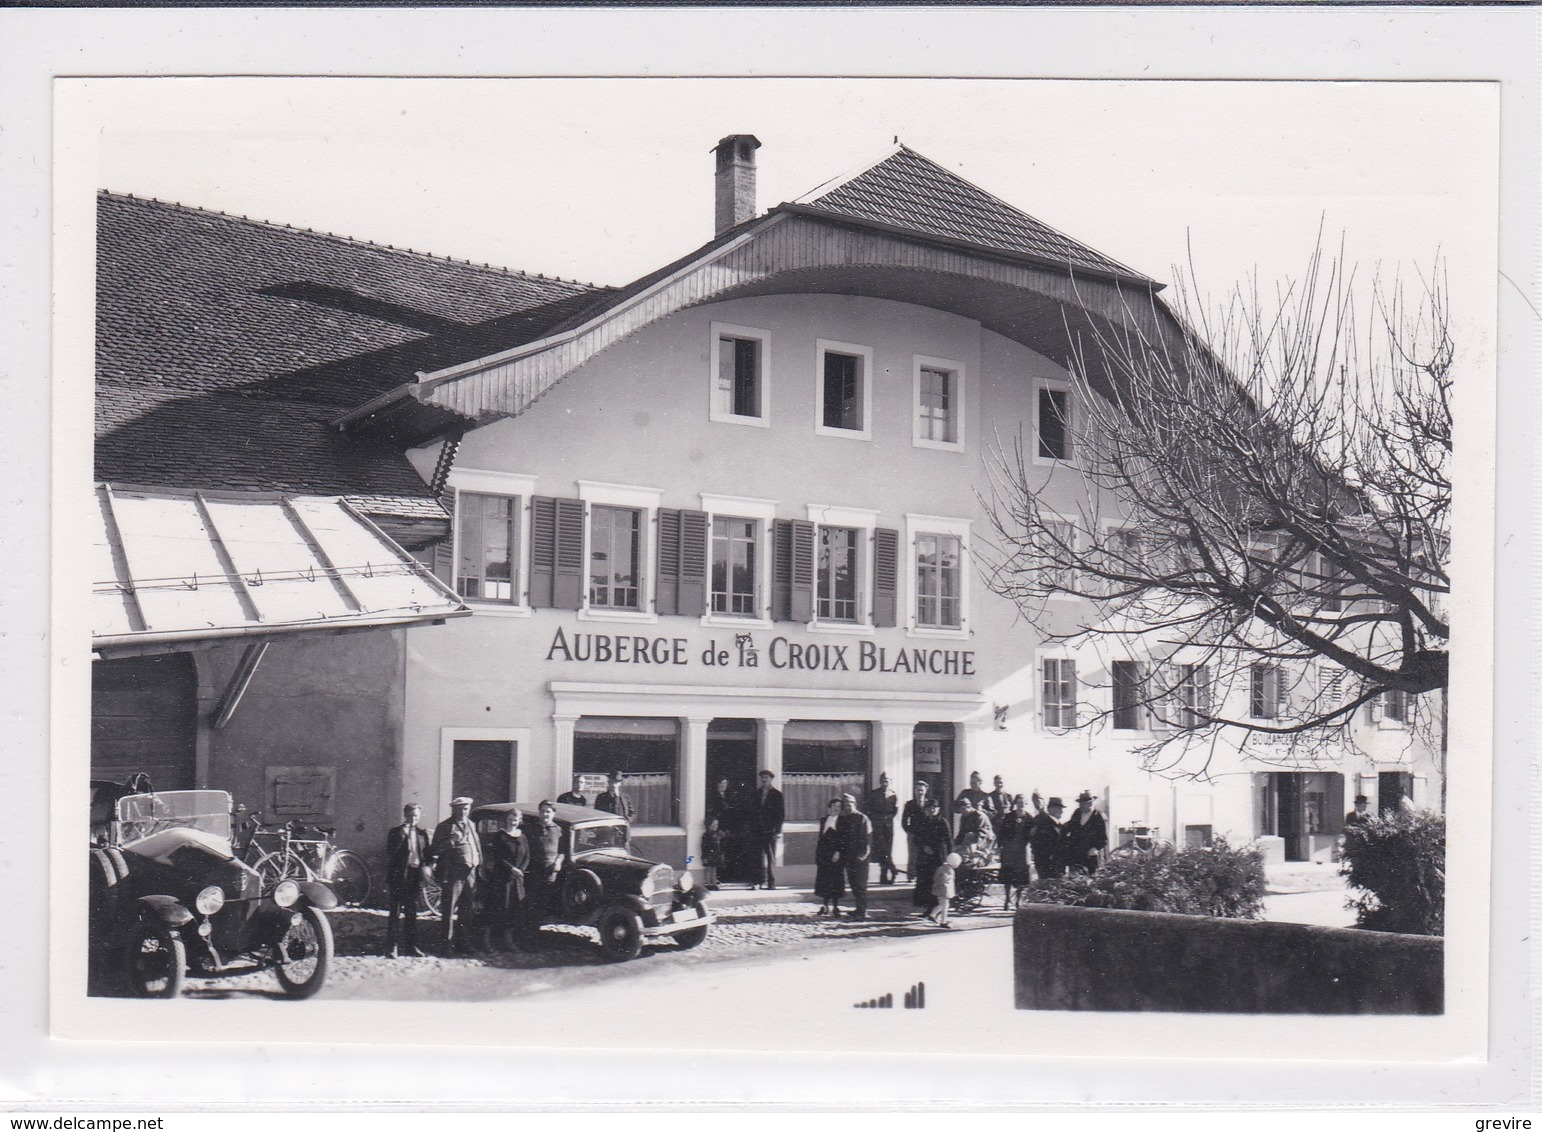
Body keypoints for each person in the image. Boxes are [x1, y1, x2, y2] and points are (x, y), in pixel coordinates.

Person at [429, 796, 482, 954]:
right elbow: (434, 850)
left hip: (470, 872)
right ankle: (447, 946)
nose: (464, 812)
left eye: (466, 809)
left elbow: (476, 846)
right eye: (460, 809)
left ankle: (463, 943)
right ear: (453, 810)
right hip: (453, 872)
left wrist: (480, 865)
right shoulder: (445, 826)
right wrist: (452, 840)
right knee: (449, 909)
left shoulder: (471, 824)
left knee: (466, 910)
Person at [384, 802, 431, 958]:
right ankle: (392, 947)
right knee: (395, 913)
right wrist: (403, 835)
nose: (413, 819)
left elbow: (427, 855)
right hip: (399, 877)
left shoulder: (422, 834)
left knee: (411, 913)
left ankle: (411, 947)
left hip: (414, 876)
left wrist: (428, 867)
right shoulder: (395, 832)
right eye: (410, 816)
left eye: (416, 816)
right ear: (405, 816)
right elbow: (391, 852)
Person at [482, 809, 529, 951]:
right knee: (496, 908)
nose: (513, 822)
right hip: (501, 878)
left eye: (515, 819)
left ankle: (508, 941)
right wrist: (511, 869)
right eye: (510, 819)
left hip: (517, 880)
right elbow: (498, 857)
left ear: (519, 821)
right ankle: (486, 942)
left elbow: (527, 855)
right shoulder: (500, 836)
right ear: (506, 820)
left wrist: (520, 870)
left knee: (513, 909)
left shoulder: (523, 837)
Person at [523, 799, 565, 944]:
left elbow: (563, 851)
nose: (545, 814)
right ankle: (527, 939)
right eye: (542, 811)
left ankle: (536, 938)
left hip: (550, 873)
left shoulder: (558, 830)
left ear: (553, 813)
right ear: (539, 813)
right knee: (531, 905)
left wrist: (558, 862)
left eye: (548, 811)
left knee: (542, 905)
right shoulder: (531, 829)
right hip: (534, 872)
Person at [834, 792, 873, 921]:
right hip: (848, 856)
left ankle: (862, 911)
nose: (847, 806)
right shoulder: (842, 818)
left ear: (855, 804)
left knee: (860, 884)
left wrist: (863, 855)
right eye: (845, 804)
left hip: (860, 857)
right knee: (853, 884)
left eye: (850, 803)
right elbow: (839, 838)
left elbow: (867, 839)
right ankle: (858, 909)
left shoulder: (862, 818)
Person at [911, 797, 952, 917]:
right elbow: (916, 838)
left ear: (938, 809)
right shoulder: (923, 821)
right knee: (926, 884)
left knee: (938, 884)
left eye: (934, 808)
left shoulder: (943, 822)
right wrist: (923, 847)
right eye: (930, 808)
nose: (932, 810)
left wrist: (949, 857)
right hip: (925, 857)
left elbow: (949, 840)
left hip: (938, 857)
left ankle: (936, 911)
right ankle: (929, 909)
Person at [996, 794, 1033, 910]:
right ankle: (1007, 900)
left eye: (1023, 803)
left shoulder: (1029, 818)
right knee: (1008, 875)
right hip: (1009, 849)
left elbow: (1031, 835)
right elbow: (1001, 832)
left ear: (1026, 804)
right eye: (1019, 803)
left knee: (1021, 877)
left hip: (1022, 850)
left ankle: (1017, 901)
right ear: (1016, 804)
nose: (1021, 805)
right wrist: (999, 846)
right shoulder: (1008, 816)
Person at [749, 769, 785, 889]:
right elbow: (752, 812)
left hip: (770, 831)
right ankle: (757, 882)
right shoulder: (756, 794)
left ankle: (771, 882)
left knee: (770, 857)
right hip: (757, 830)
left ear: (771, 779)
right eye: (762, 778)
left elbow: (780, 814)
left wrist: (778, 830)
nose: (764, 780)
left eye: (766, 778)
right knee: (757, 856)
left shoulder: (777, 795)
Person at [812, 798, 846, 916]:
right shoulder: (824, 820)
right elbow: (821, 838)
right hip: (824, 854)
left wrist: (838, 852)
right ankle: (825, 906)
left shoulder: (842, 821)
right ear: (829, 807)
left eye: (839, 806)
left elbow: (843, 840)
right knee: (825, 881)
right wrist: (818, 854)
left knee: (836, 881)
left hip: (836, 855)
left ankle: (836, 907)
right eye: (835, 805)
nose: (837, 808)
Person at [1063, 789, 1108, 876]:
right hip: (1076, 855)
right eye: (1080, 803)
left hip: (1090, 857)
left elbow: (1104, 839)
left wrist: (1095, 848)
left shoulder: (1099, 817)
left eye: (1083, 803)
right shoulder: (1077, 813)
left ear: (1090, 803)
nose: (1080, 805)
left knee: (1090, 880)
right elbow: (1069, 826)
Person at [866, 772, 899, 885]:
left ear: (891, 781)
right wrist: (875, 819)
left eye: (888, 779)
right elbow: (868, 809)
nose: (886, 781)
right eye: (884, 779)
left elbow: (895, 809)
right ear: (880, 781)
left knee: (888, 850)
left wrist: (890, 817)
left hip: (889, 825)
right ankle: (893, 869)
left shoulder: (893, 794)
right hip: (877, 825)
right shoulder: (874, 794)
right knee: (882, 849)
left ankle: (884, 876)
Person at [1028, 795, 1066, 880]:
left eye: (1061, 809)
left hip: (1058, 865)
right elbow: (1037, 845)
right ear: (1051, 809)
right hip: (1047, 866)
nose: (1061, 811)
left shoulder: (1060, 825)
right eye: (1059, 809)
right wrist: (1048, 858)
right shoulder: (1044, 824)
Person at [900, 780, 930, 882]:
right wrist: (908, 831)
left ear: (926, 791)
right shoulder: (909, 804)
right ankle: (911, 876)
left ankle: (922, 876)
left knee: (924, 855)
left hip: (925, 834)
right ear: (914, 791)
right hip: (913, 834)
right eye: (917, 790)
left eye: (921, 790)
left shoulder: (929, 804)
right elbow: (904, 820)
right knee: (912, 855)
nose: (919, 792)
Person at [929, 852, 961, 929]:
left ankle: (932, 915)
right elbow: (943, 881)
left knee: (942, 905)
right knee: (945, 906)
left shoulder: (942, 868)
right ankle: (943, 921)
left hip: (941, 890)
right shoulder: (948, 871)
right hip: (944, 891)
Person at [700, 816, 725, 890]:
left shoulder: (716, 835)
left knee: (714, 870)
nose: (716, 826)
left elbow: (718, 845)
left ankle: (713, 883)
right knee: (708, 869)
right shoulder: (706, 835)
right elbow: (704, 846)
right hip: (709, 855)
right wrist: (704, 856)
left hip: (715, 855)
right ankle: (708, 883)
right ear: (709, 825)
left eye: (717, 825)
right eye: (714, 825)